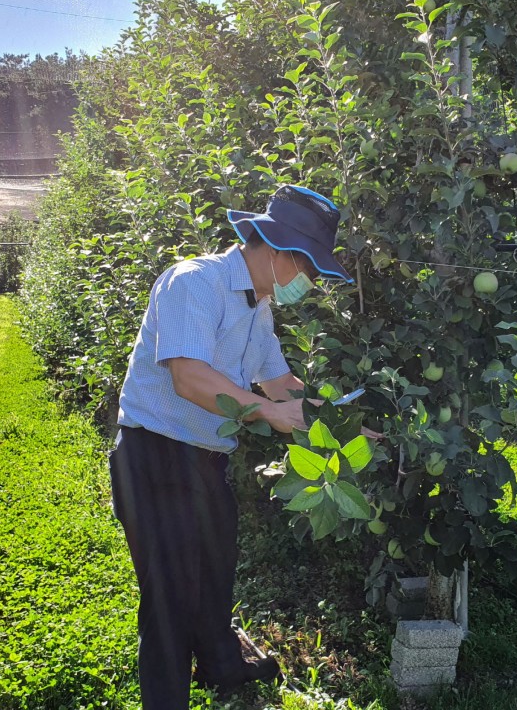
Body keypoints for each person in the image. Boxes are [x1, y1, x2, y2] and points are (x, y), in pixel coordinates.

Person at [109, 184, 374, 709]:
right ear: (278, 251)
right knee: (168, 597)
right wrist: (269, 413)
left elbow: (281, 383)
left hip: (204, 459)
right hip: (154, 457)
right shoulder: (194, 283)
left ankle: (221, 667)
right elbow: (189, 376)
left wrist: (346, 426)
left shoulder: (260, 306)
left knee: (216, 566)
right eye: (309, 268)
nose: (310, 282)